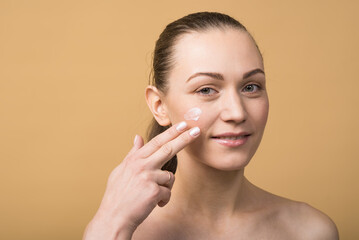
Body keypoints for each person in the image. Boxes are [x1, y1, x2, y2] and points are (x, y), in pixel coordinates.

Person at [83, 12, 339, 239]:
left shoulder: (309, 231)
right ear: (160, 105)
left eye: (251, 87)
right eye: (206, 89)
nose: (237, 113)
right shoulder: (122, 230)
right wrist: (110, 225)